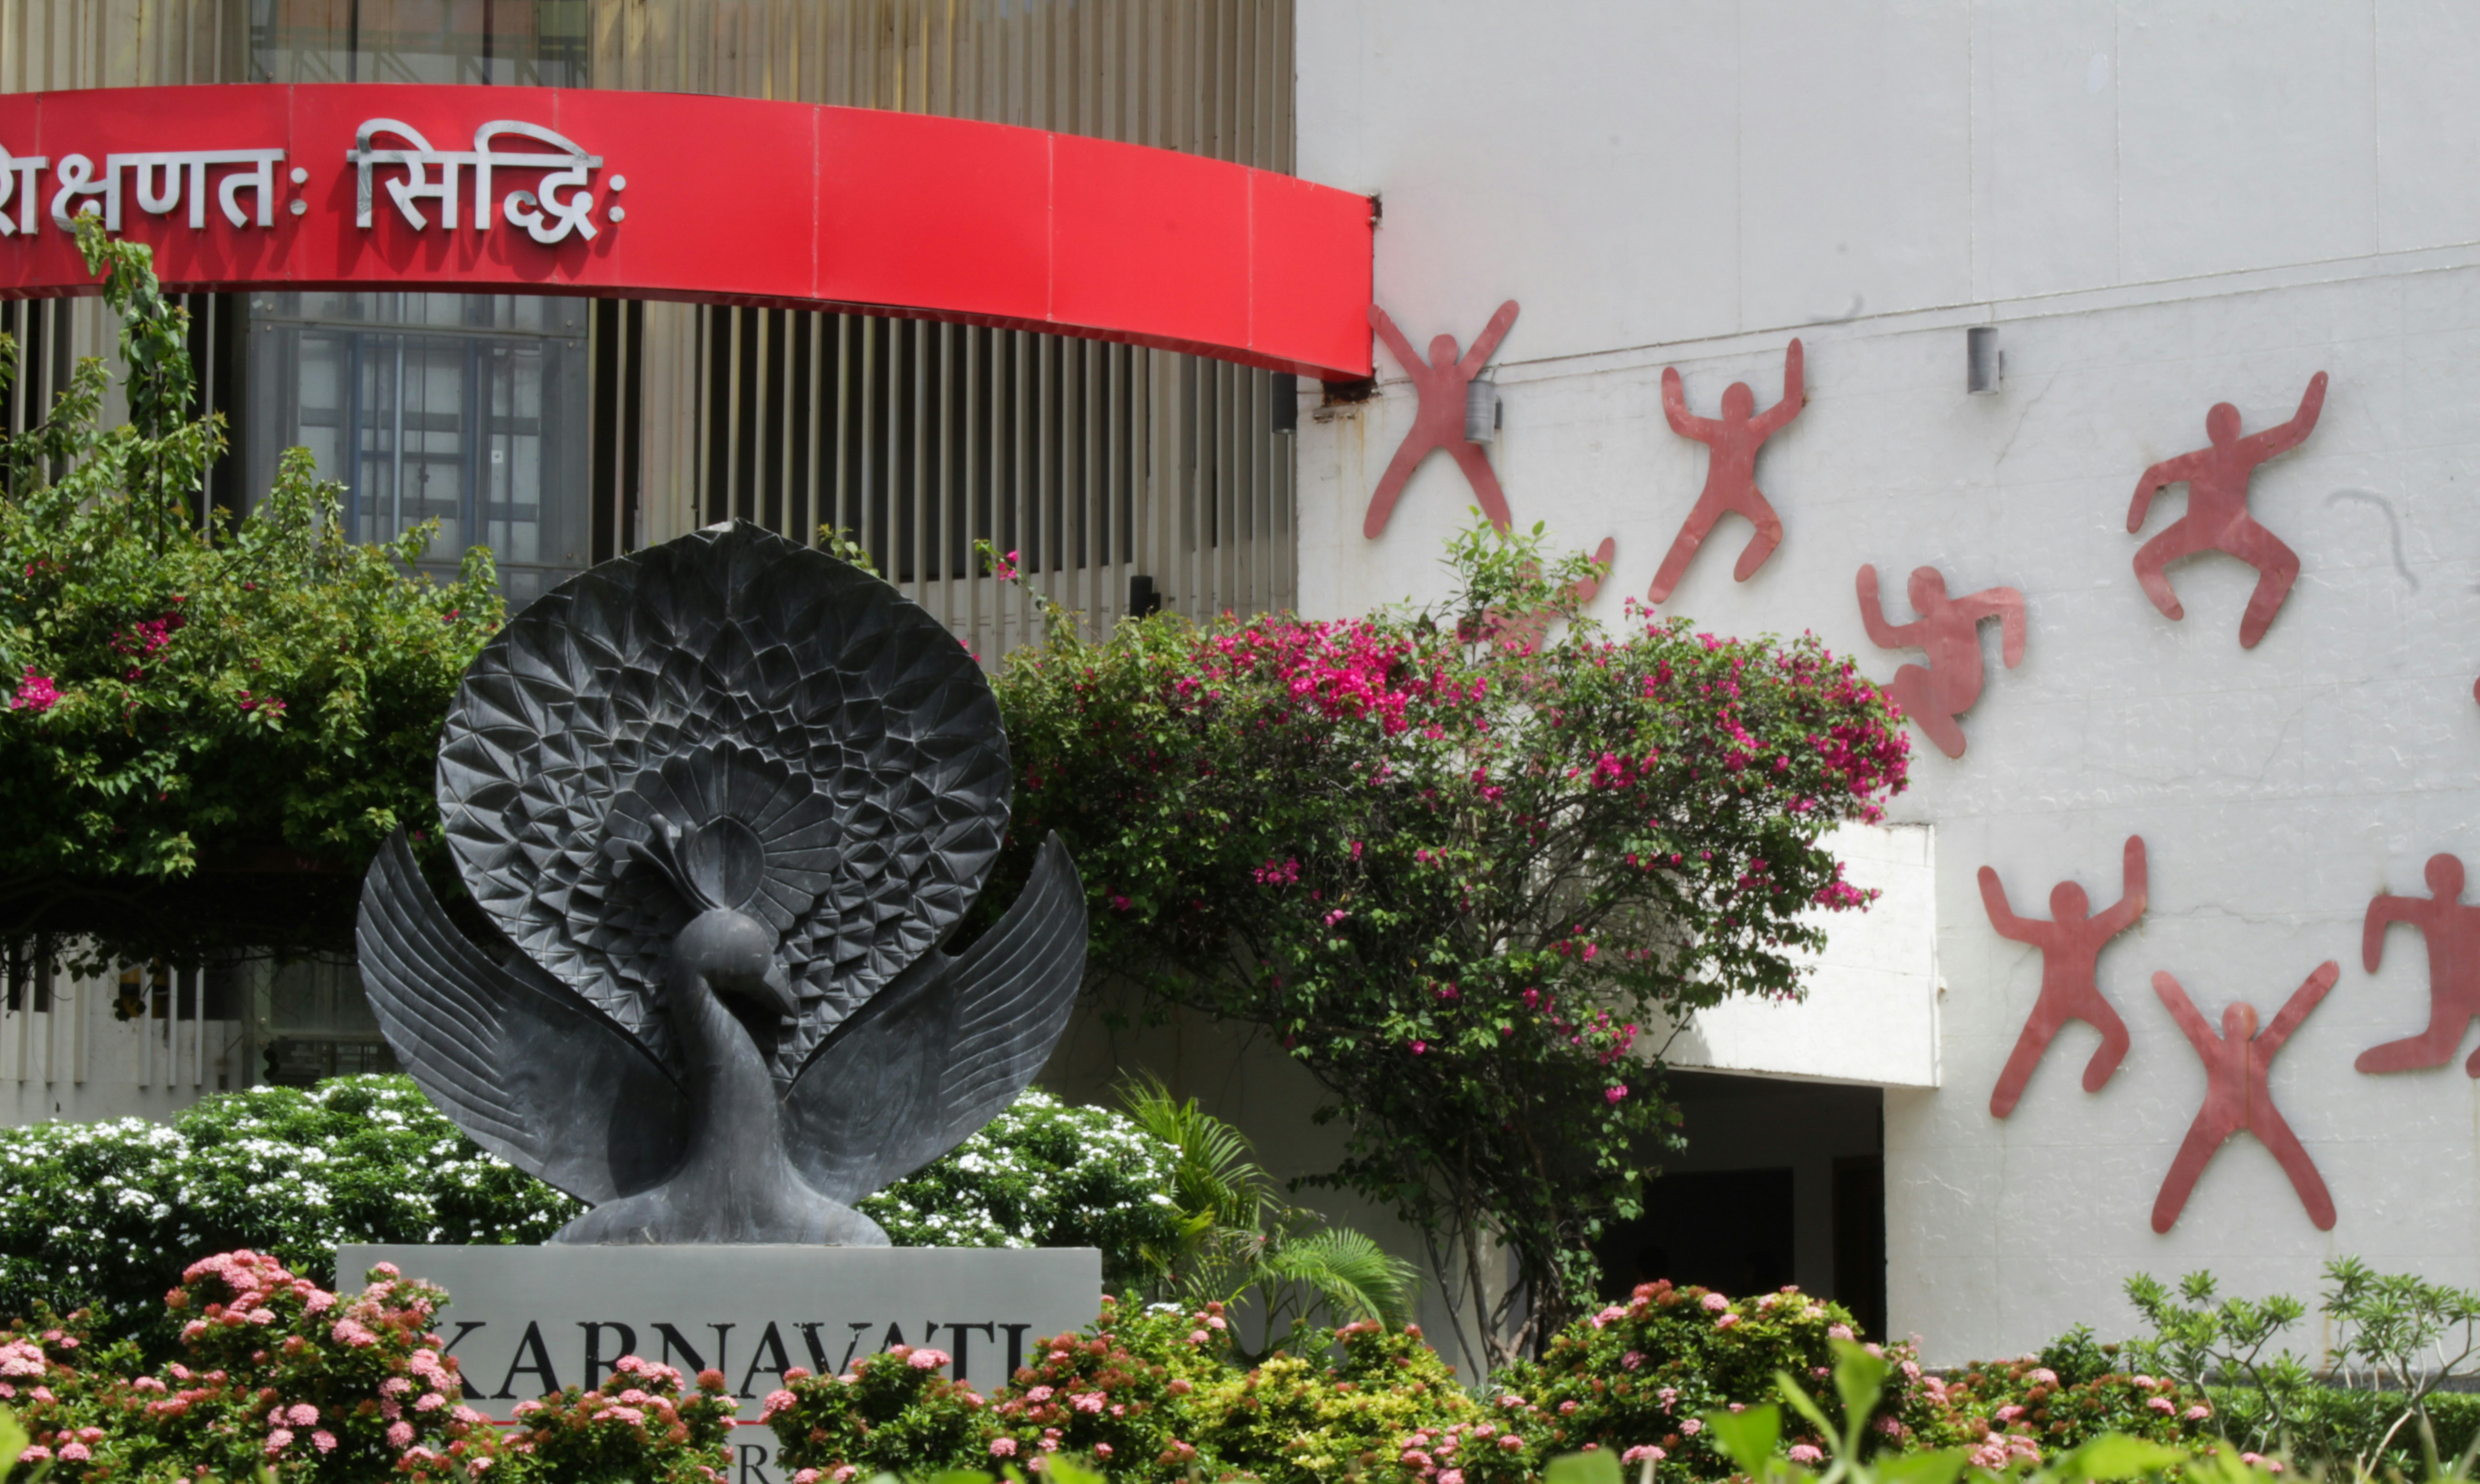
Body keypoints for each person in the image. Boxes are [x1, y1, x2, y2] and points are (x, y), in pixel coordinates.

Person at [2127, 372, 2327, 649]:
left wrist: (2135, 522)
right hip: (2235, 530)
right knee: (2285, 565)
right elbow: (2297, 430)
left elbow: (2153, 476)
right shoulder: (2245, 450)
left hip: (2196, 529)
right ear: (2237, 427)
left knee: (2145, 561)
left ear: (2210, 430)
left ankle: (2180, 608)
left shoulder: (2196, 460)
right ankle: (2251, 629)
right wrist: (2315, 394)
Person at [2149, 963, 2339, 1233]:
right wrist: (2322, 980)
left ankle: (2164, 1216)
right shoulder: (2251, 1048)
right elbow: (2290, 1016)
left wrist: (2166, 988)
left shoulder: (2219, 1048)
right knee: (2291, 1154)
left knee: (2190, 1159)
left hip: (2226, 1112)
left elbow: (2188, 1017)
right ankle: (2321, 1211)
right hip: (2247, 1111)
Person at [1980, 836, 2147, 1117]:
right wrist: (2135, 859)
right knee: (2118, 1036)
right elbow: (2132, 905)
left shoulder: (2050, 931)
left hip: (2055, 1001)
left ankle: (2003, 1102)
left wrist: (1990, 886)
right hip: (2082, 999)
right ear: (2084, 906)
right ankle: (2088, 1080)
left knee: (2031, 1044)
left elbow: (2006, 924)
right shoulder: (2092, 928)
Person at [1647, 338, 1805, 603]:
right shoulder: (1754, 427)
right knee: (1770, 529)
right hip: (1741, 492)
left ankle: (1661, 588)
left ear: (1725, 407)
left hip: (1717, 494)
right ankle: (1667, 588)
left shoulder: (1717, 429)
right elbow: (1789, 407)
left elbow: (1680, 421)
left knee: (1690, 535)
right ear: (1749, 407)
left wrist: (1672, 389)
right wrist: (1794, 365)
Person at [1362, 301, 1519, 539]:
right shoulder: (1463, 370)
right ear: (1455, 354)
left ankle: (1374, 524)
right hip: (1454, 432)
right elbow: (1485, 344)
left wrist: (1379, 321)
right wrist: (1506, 315)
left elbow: (1401, 348)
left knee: (1398, 470)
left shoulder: (1426, 374)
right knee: (1479, 472)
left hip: (1425, 431)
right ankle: (1502, 525)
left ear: (1433, 355)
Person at [1856, 564, 2026, 760]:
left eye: (1914, 591)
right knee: (1893, 687)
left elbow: (2008, 599)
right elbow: (1884, 636)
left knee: (1907, 676)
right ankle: (1858, 703)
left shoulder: (1964, 610)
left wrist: (2013, 649)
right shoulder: (1930, 627)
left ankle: (1950, 739)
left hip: (1959, 691)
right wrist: (1867, 591)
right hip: (1940, 690)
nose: (1911, 599)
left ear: (1929, 590)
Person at [2355, 853, 2480, 1075]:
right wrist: (2371, 955)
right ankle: (2368, 1061)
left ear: (2430, 881)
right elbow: (2381, 907)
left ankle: (2369, 1061)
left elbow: (2380, 907)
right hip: (2455, 997)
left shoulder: (2430, 911)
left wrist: (2372, 956)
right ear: (2461, 882)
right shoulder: (2453, 913)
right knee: (2438, 1051)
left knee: (2438, 1052)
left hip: (2454, 996)